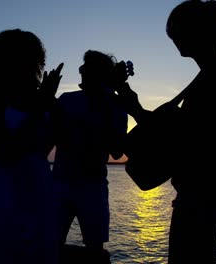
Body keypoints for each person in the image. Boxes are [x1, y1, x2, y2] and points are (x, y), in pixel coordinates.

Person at [118, 1, 216, 263]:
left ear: (194, 32)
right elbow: (183, 130)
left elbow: (188, 135)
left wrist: (135, 110)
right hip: (203, 192)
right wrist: (135, 108)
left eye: (177, 33)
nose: (175, 41)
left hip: (203, 194)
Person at [0, 29, 64, 264]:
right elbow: (6, 150)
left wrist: (51, 107)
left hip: (37, 184)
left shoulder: (43, 99)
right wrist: (42, 106)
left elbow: (44, 146)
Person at [52, 50, 129, 263]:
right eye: (83, 68)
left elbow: (116, 151)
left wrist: (103, 103)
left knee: (95, 248)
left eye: (87, 69)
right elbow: (51, 136)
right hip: (60, 183)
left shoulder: (115, 105)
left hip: (93, 184)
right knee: (51, 243)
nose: (83, 72)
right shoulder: (66, 100)